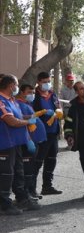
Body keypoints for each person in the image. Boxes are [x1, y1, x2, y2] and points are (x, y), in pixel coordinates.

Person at [1, 74, 40, 215]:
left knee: (18, 172)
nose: (17, 87)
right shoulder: (1, 101)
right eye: (17, 85)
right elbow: (11, 121)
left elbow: (18, 116)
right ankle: (4, 205)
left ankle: (22, 198)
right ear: (11, 86)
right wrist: (27, 122)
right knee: (6, 175)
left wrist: (31, 117)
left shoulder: (12, 100)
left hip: (16, 143)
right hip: (5, 144)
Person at [16, 83, 48, 203]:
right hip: (28, 141)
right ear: (22, 92)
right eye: (29, 92)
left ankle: (31, 190)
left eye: (33, 92)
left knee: (34, 168)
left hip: (36, 140)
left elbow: (30, 117)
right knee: (27, 169)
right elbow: (19, 120)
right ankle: (25, 193)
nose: (32, 95)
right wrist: (28, 139)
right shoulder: (17, 103)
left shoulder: (27, 103)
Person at [34, 71, 64, 195]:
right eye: (44, 82)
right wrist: (43, 112)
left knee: (51, 159)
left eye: (48, 81)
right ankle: (31, 188)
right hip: (41, 133)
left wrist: (59, 111)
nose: (47, 84)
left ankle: (47, 186)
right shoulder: (34, 95)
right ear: (38, 82)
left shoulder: (52, 94)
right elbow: (31, 112)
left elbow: (58, 106)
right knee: (38, 161)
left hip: (53, 132)